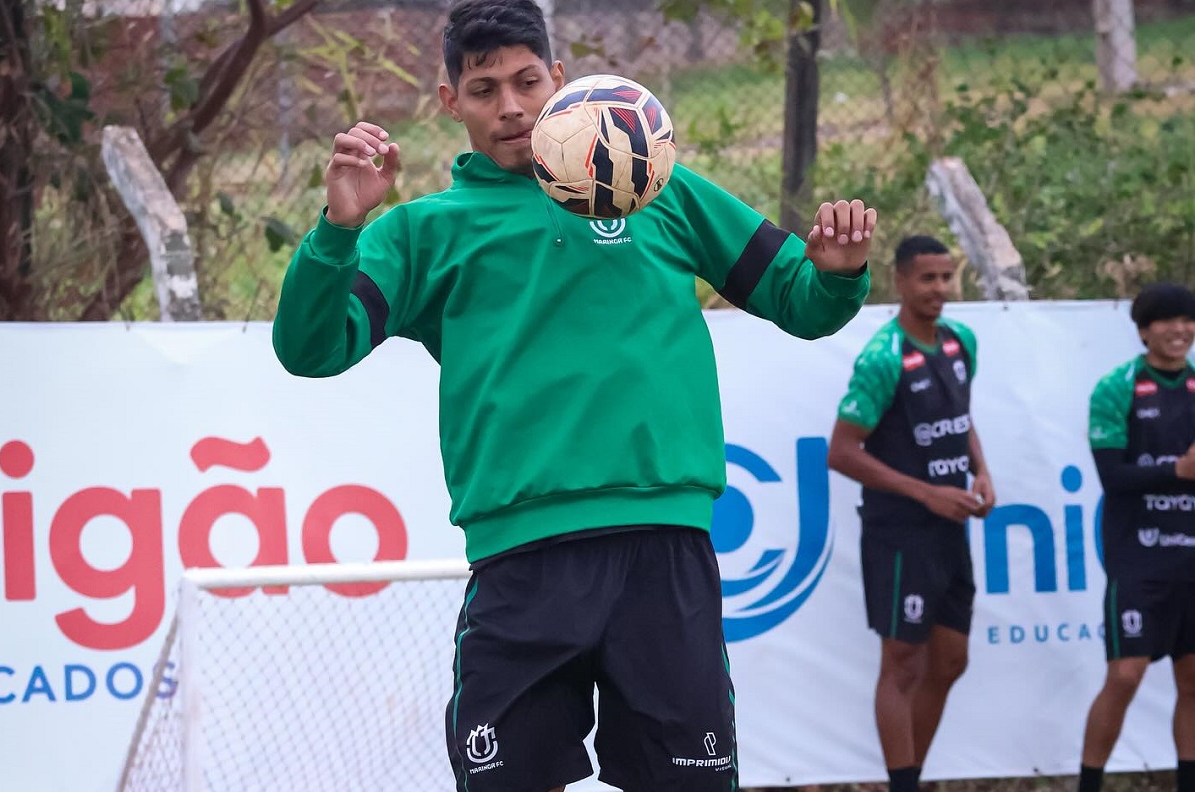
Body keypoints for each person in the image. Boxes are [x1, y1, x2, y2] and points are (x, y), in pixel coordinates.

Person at [272, 1, 877, 789]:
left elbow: (799, 300)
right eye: (484, 89)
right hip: (521, 565)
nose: (512, 106)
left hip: (664, 550)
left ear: (559, 79)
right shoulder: (424, 231)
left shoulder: (653, 185)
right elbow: (311, 349)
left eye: (527, 81)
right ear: (449, 101)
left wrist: (836, 271)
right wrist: (337, 230)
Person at [826, 235, 995, 792]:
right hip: (900, 533)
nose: (940, 289)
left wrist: (981, 471)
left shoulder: (961, 340)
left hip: (951, 527)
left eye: (947, 278)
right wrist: (925, 493)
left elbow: (959, 418)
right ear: (900, 281)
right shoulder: (883, 356)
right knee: (902, 664)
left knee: (951, 661)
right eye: (928, 278)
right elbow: (842, 451)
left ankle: (913, 776)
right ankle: (904, 785)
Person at [1077, 282, 1195, 792]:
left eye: (1188, 321)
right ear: (1145, 331)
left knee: (1192, 682)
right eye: (1168, 321)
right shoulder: (1116, 387)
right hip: (1137, 559)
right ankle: (1089, 782)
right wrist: (1178, 470)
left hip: (1190, 559)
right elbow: (1113, 478)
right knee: (1125, 675)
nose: (1181, 330)